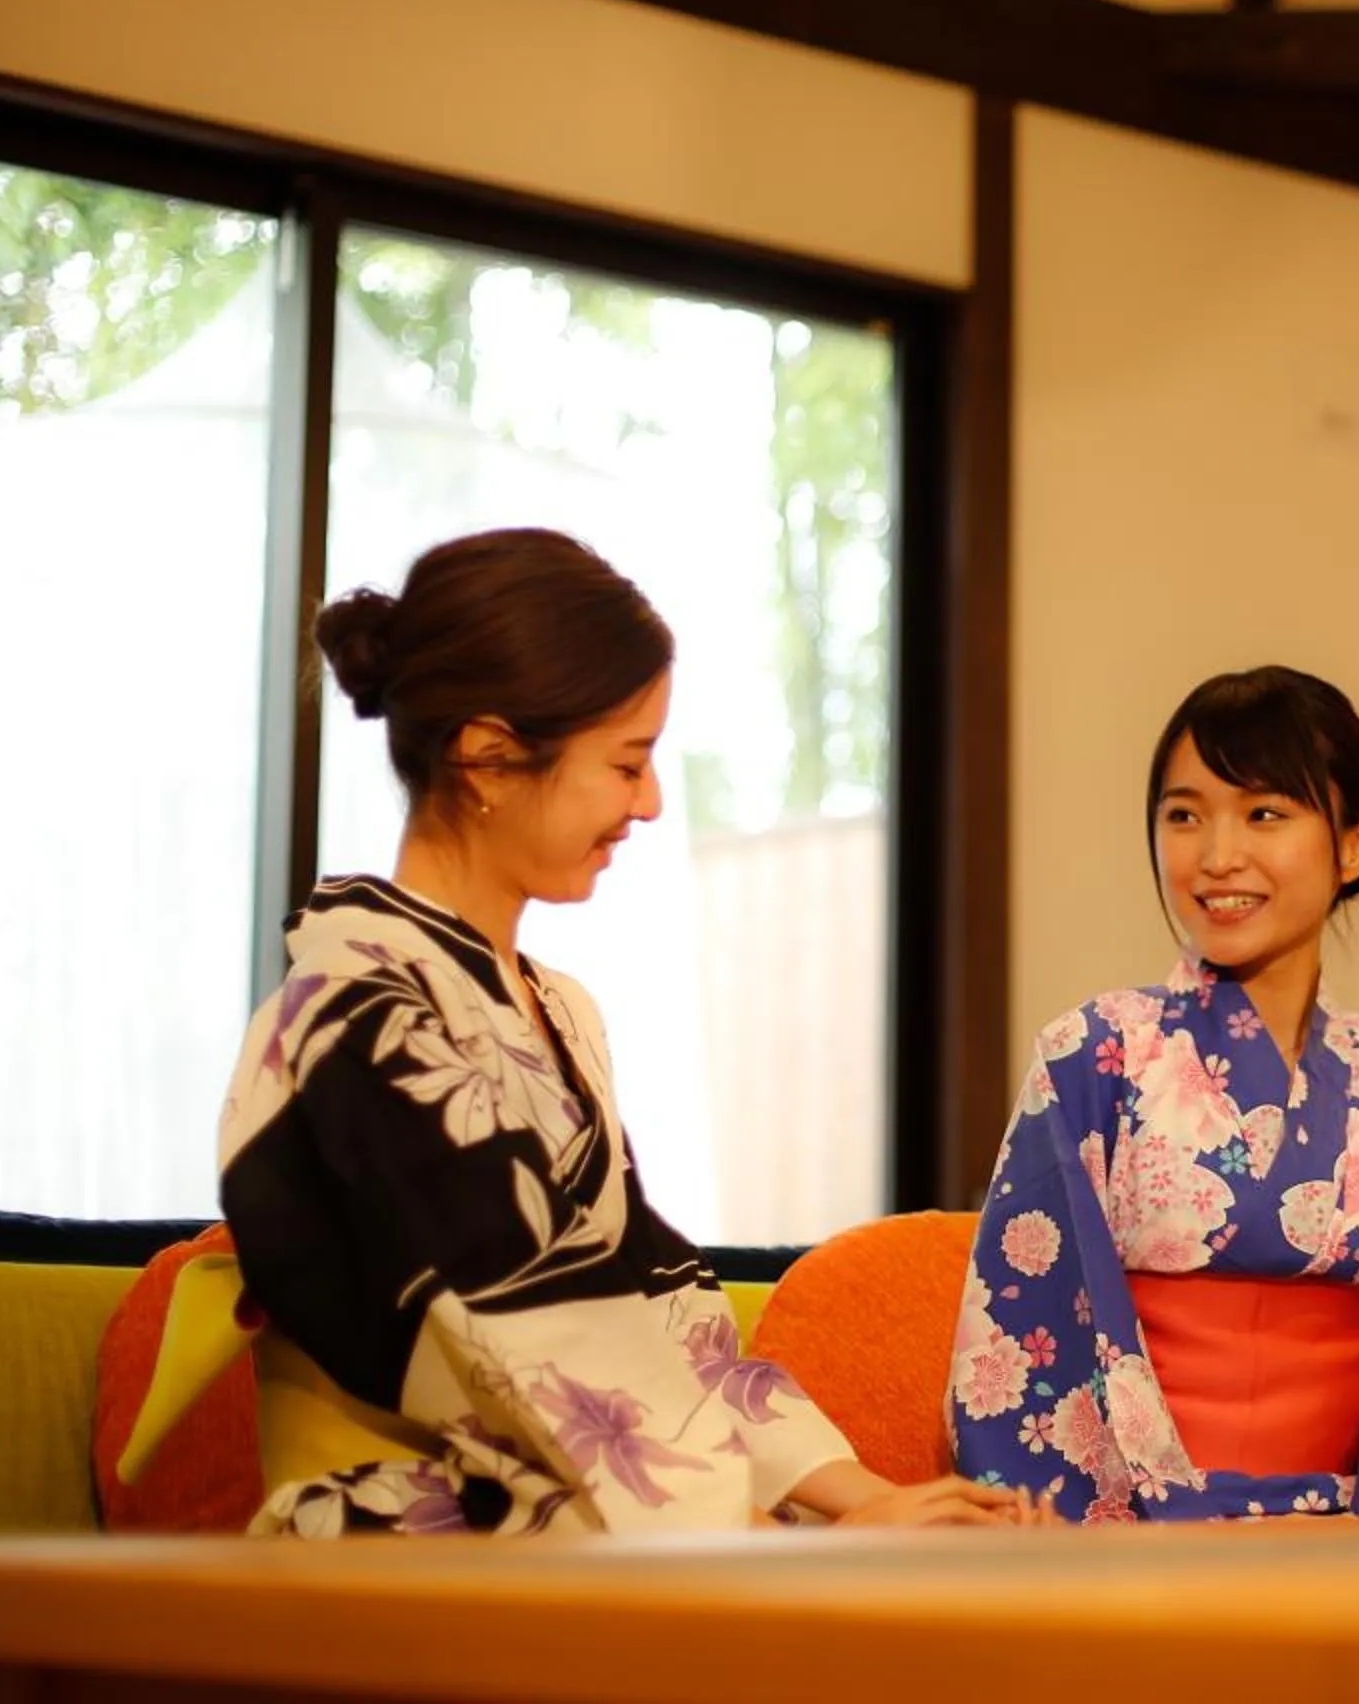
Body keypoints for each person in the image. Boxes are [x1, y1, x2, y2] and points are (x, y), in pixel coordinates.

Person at [219, 528, 1034, 1535]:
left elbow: (650, 1290)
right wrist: (762, 1540)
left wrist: (864, 1494)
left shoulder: (556, 1007)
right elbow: (538, 1326)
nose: (648, 802)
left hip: (583, 1514)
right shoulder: (359, 1009)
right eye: (627, 761)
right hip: (409, 1536)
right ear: (487, 756)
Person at [949, 667, 1359, 1521]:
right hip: (1138, 1536)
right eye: (1184, 815)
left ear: (1355, 841)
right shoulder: (1096, 1051)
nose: (1217, 856)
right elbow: (1034, 1319)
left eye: (1265, 813)